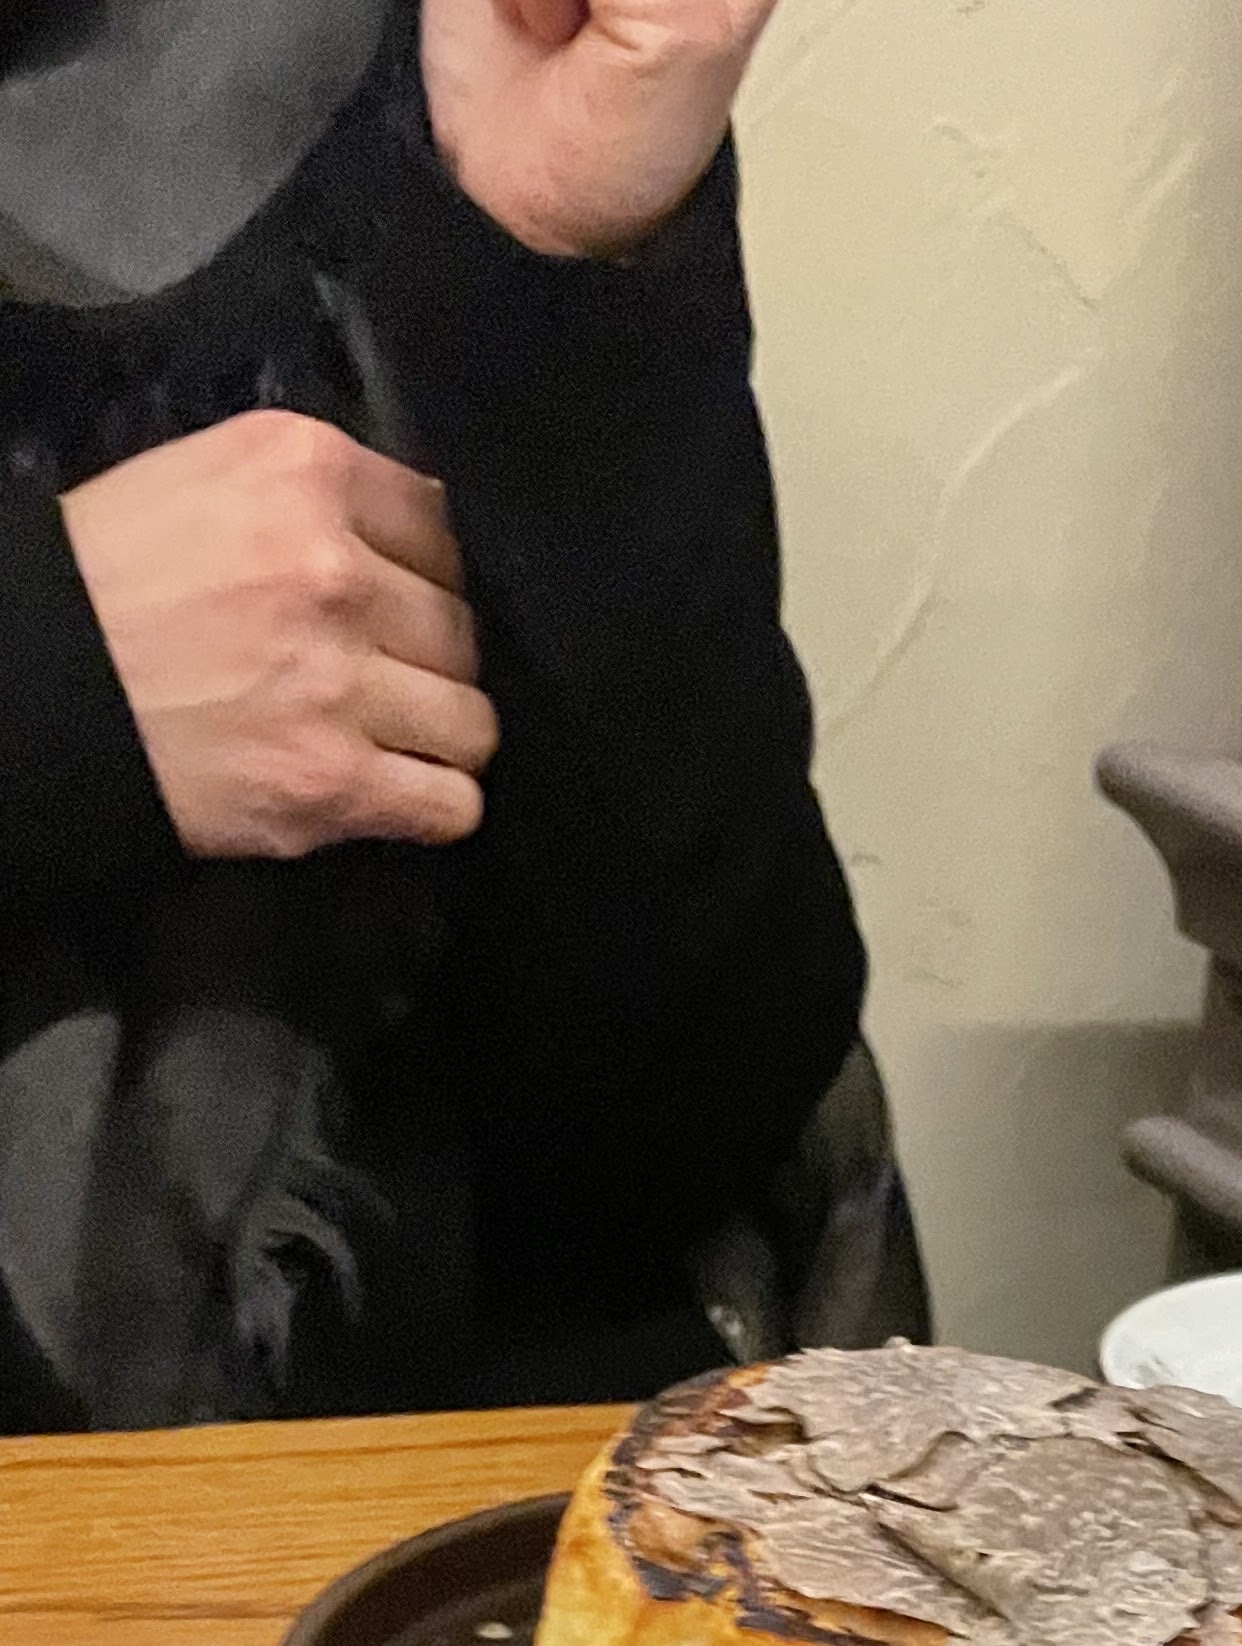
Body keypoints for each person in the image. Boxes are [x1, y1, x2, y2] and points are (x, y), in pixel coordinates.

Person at [0, 0, 906, 1430]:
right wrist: (60, 677)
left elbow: (687, 1128)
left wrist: (551, 282)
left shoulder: (431, 56)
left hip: (394, 1511)